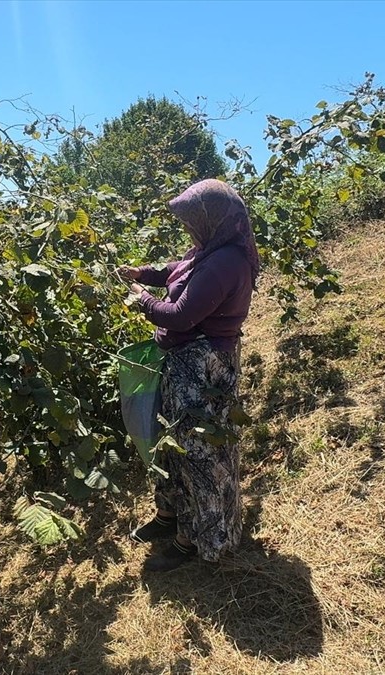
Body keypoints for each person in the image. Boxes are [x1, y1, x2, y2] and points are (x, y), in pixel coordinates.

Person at [117, 179, 259, 572]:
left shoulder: (227, 262)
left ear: (213, 219)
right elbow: (175, 271)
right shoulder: (206, 251)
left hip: (202, 368)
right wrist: (142, 273)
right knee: (170, 444)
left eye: (193, 220)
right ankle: (170, 517)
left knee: (199, 454)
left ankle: (196, 538)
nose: (188, 230)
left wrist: (140, 300)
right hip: (181, 362)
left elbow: (180, 314)